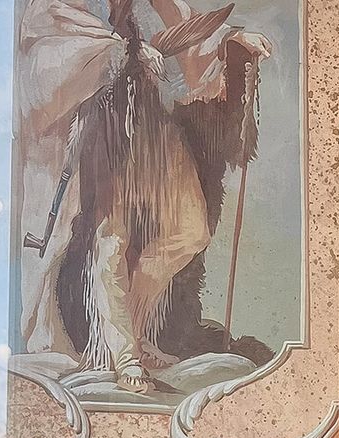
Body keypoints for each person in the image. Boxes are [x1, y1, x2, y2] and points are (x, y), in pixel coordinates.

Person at [15, 0, 271, 393]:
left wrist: (233, 43)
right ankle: (123, 353)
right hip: (104, 123)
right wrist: (122, 54)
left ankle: (132, 329)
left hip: (150, 120)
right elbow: (48, 47)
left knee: (190, 229)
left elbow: (187, 28)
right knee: (110, 237)